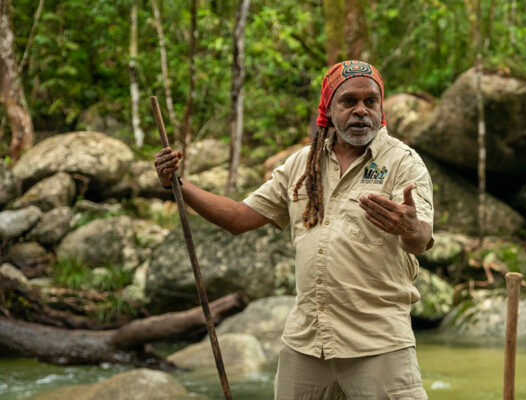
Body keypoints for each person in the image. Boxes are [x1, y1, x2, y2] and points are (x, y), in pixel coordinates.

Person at [154, 60, 434, 400]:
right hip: (307, 343)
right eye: (349, 102)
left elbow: (420, 239)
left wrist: (409, 227)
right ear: (329, 109)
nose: (361, 111)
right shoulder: (302, 165)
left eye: (370, 102)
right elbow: (239, 217)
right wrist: (178, 185)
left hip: (378, 343)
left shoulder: (403, 163)